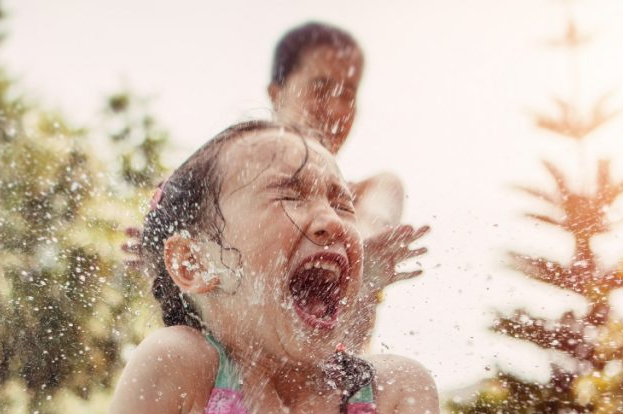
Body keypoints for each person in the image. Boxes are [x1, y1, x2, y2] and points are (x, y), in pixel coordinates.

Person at [68, 120, 443, 414]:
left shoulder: (395, 395)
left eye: (342, 202)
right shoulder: (179, 370)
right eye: (289, 194)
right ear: (194, 262)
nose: (330, 220)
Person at [124, 22, 428, 352]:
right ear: (276, 92)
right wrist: (167, 259)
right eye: (321, 86)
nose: (337, 108)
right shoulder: (221, 188)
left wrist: (362, 261)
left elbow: (371, 226)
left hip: (342, 394)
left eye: (349, 94)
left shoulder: (374, 189)